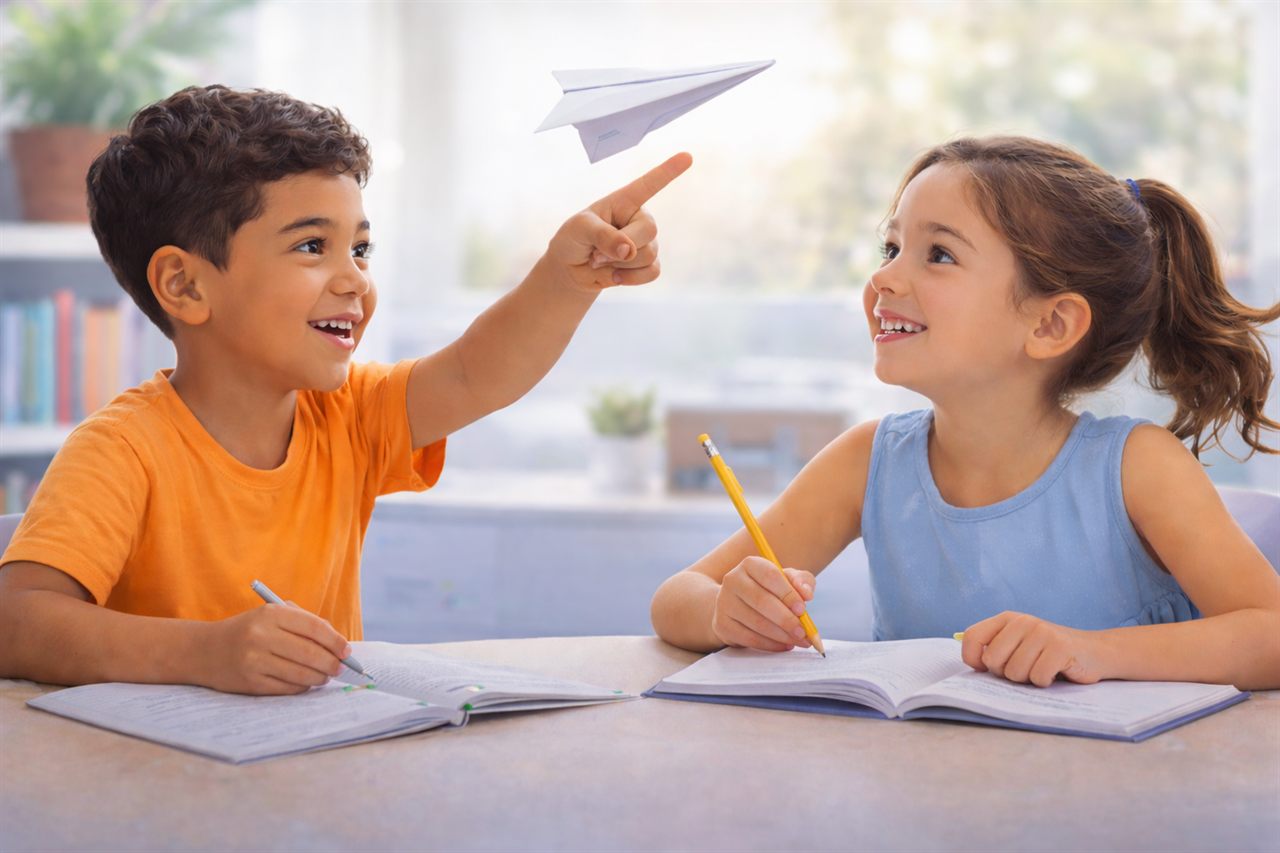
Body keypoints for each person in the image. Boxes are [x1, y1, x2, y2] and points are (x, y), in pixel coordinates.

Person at [0, 85, 691, 694]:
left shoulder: (348, 414)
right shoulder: (121, 451)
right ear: (184, 285)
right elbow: (17, 620)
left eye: (360, 249)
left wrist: (566, 280)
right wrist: (205, 652)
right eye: (312, 247)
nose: (355, 279)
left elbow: (474, 373)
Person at [651, 136, 1280, 690]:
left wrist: (1092, 651)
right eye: (890, 247)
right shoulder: (866, 461)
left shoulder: (1138, 467)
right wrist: (725, 612)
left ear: (1050, 324)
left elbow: (1272, 635)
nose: (884, 279)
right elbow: (676, 599)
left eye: (940, 255)